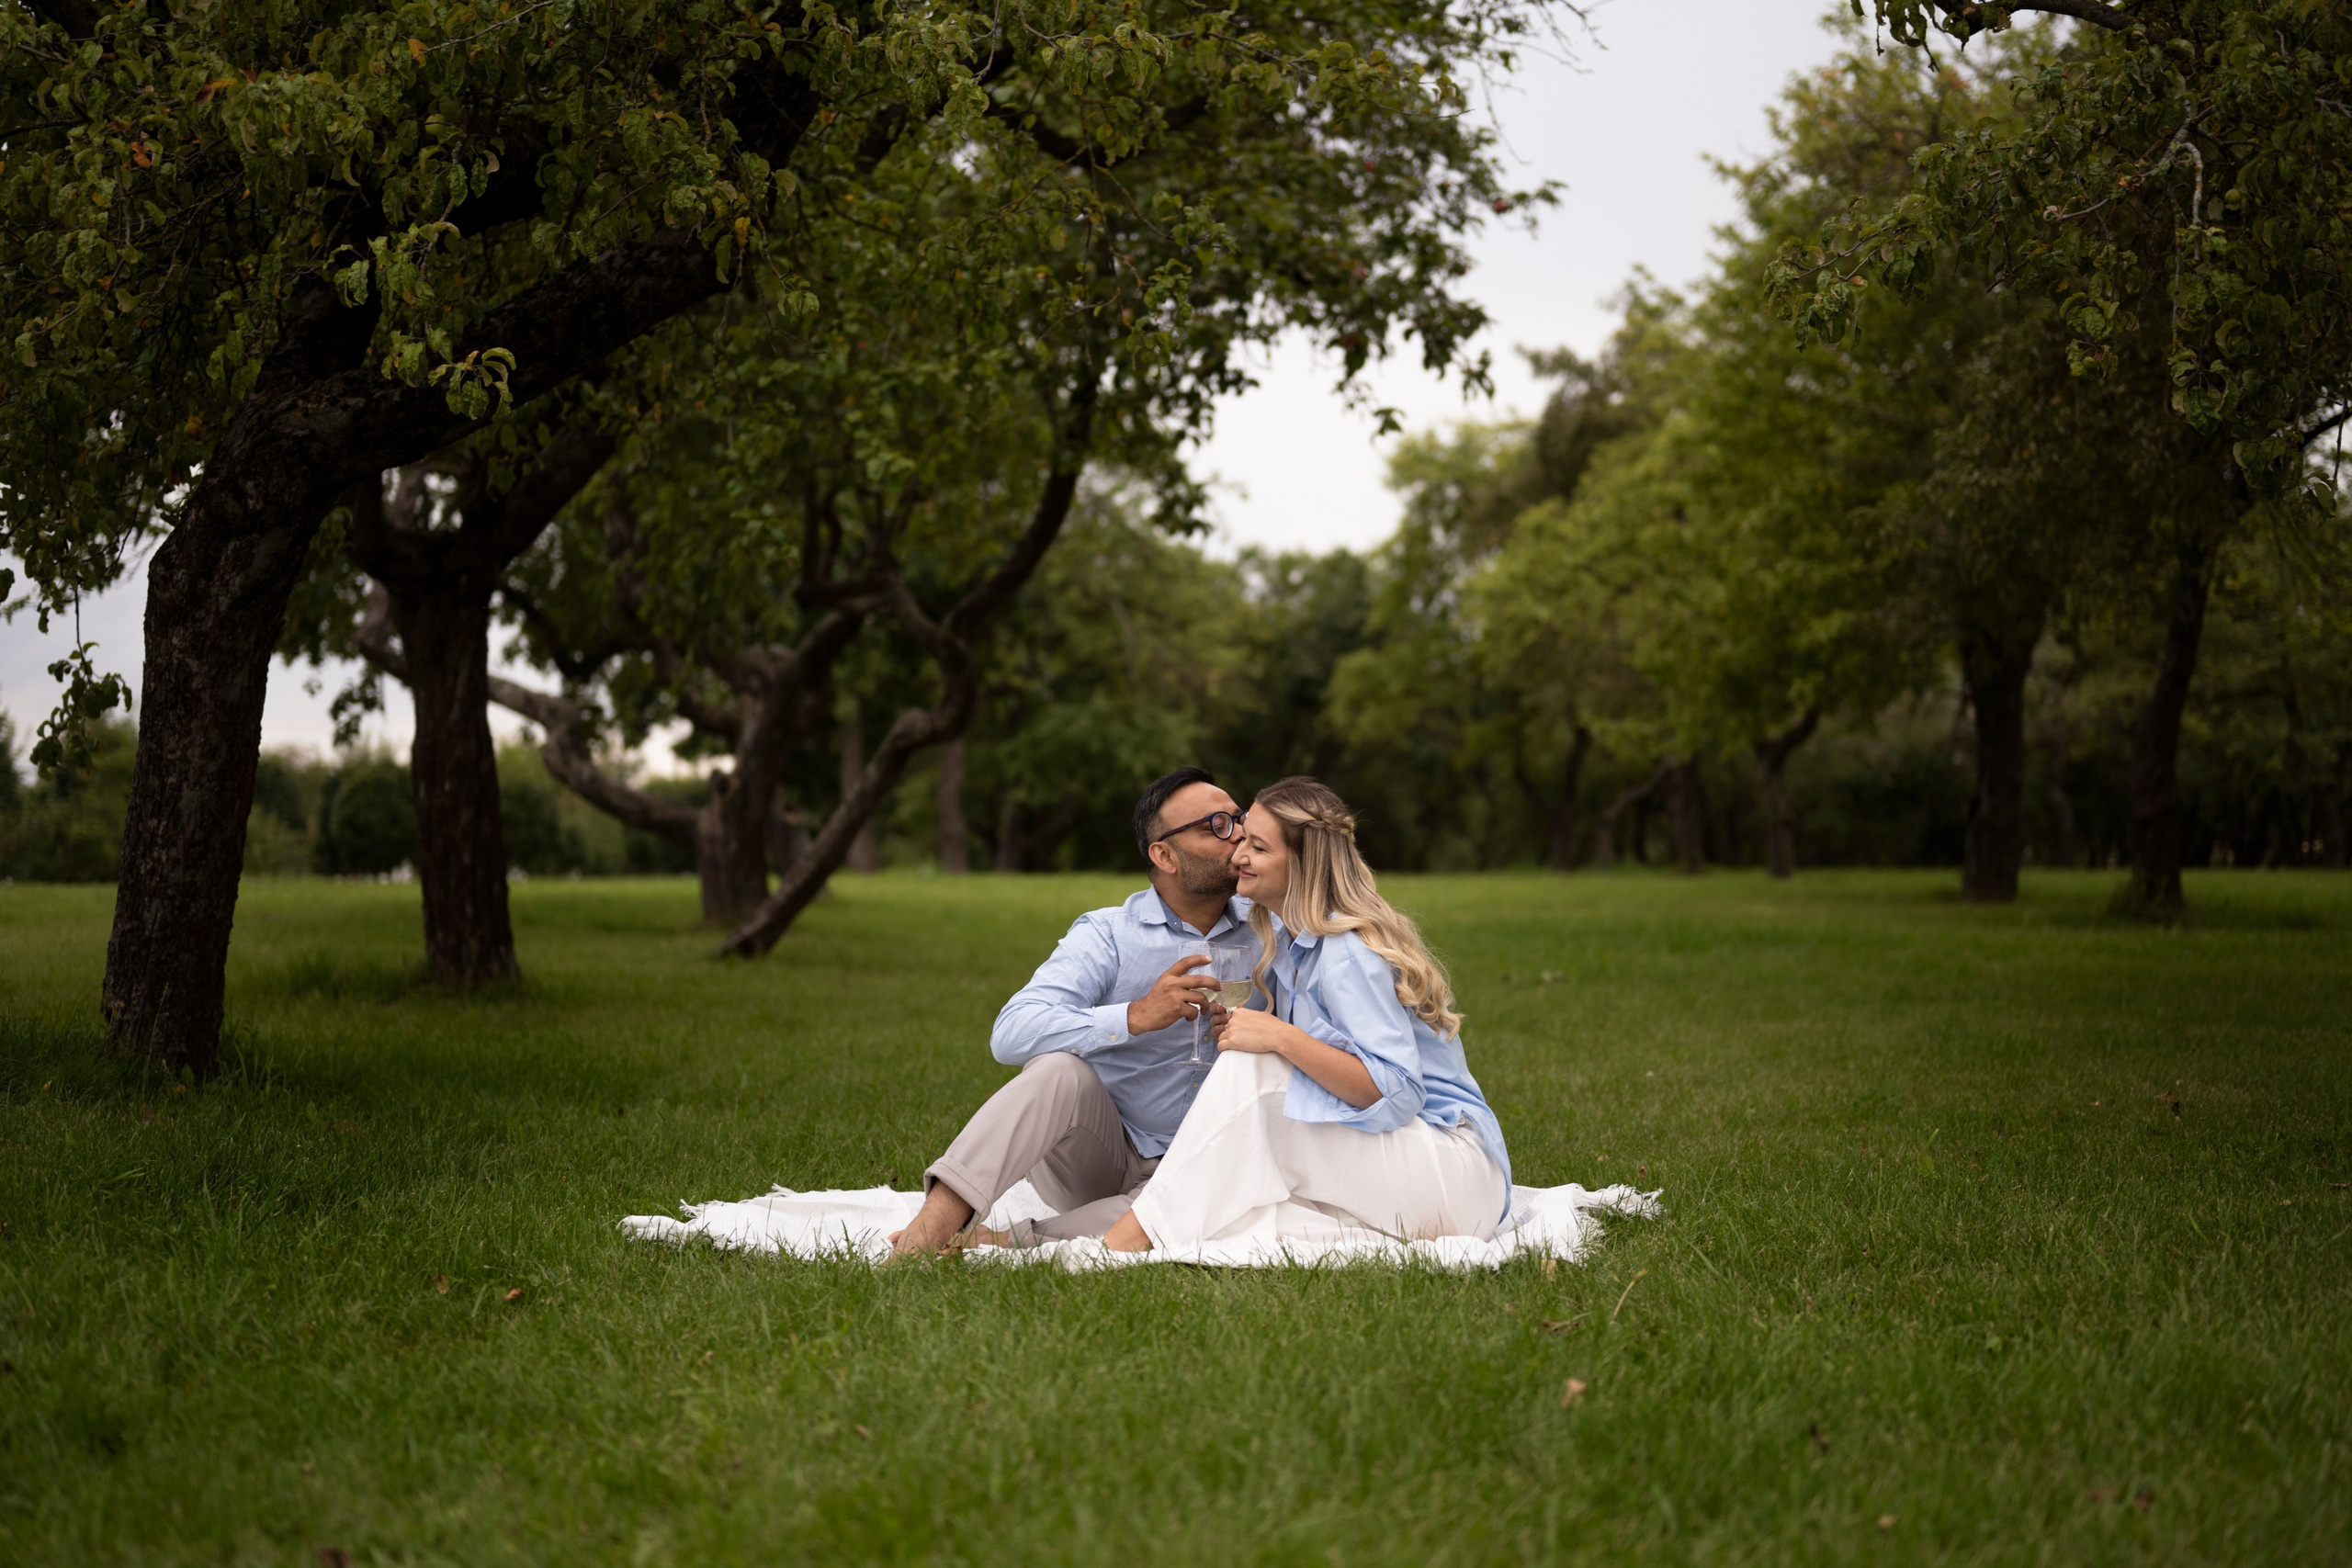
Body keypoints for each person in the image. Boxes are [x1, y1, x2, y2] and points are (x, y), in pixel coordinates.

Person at [1102, 776, 1510, 1255]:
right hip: (1411, 1168)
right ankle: (1074, 1234)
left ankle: (1123, 1242)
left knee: (1251, 1071)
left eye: (1257, 846)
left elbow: (1399, 1093)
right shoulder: (1295, 950)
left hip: (1454, 1173)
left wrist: (1280, 1038)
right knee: (1233, 1205)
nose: (1237, 856)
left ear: (1301, 863)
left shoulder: (1345, 955)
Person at [887, 767, 1260, 1257]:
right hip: (1102, 1156)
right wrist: (1132, 1016)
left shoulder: (1270, 929)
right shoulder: (1109, 934)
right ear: (1164, 855)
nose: (1238, 836)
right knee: (1059, 1070)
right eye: (1216, 824)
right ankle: (928, 1231)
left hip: (1208, 1161)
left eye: (1239, 818)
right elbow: (1012, 1031)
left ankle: (1008, 1240)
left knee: (1192, 1207)